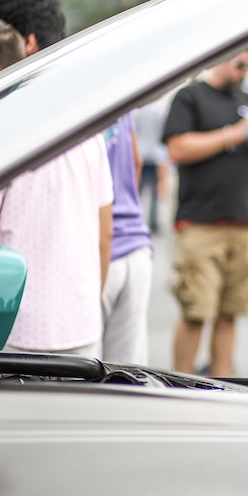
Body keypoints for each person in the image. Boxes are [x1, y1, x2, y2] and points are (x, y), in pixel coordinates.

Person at [0, 0, 156, 363]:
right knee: (125, 386)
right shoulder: (98, 97)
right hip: (123, 253)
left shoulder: (22, 114)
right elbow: (132, 163)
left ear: (27, 43)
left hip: (65, 280)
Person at [0, 18, 113, 357]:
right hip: (82, 324)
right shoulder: (85, 127)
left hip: (15, 332)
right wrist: (86, 306)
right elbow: (105, 233)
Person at [162, 48, 248, 377]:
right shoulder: (190, 96)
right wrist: (234, 134)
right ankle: (178, 386)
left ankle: (220, 383)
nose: (243, 72)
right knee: (196, 312)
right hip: (201, 223)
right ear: (222, 57)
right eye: (239, 64)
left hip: (245, 222)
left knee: (230, 313)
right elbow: (177, 149)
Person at [101, 112, 154, 364]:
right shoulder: (122, 109)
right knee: (126, 375)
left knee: (82, 373)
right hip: (135, 242)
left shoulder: (75, 106)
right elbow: (136, 161)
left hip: (100, 248)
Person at [134, 98, 170, 233]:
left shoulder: (138, 112)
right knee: (155, 193)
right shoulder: (160, 111)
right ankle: (153, 223)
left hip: (141, 154)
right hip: (155, 156)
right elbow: (162, 136)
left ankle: (136, 220)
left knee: (137, 192)